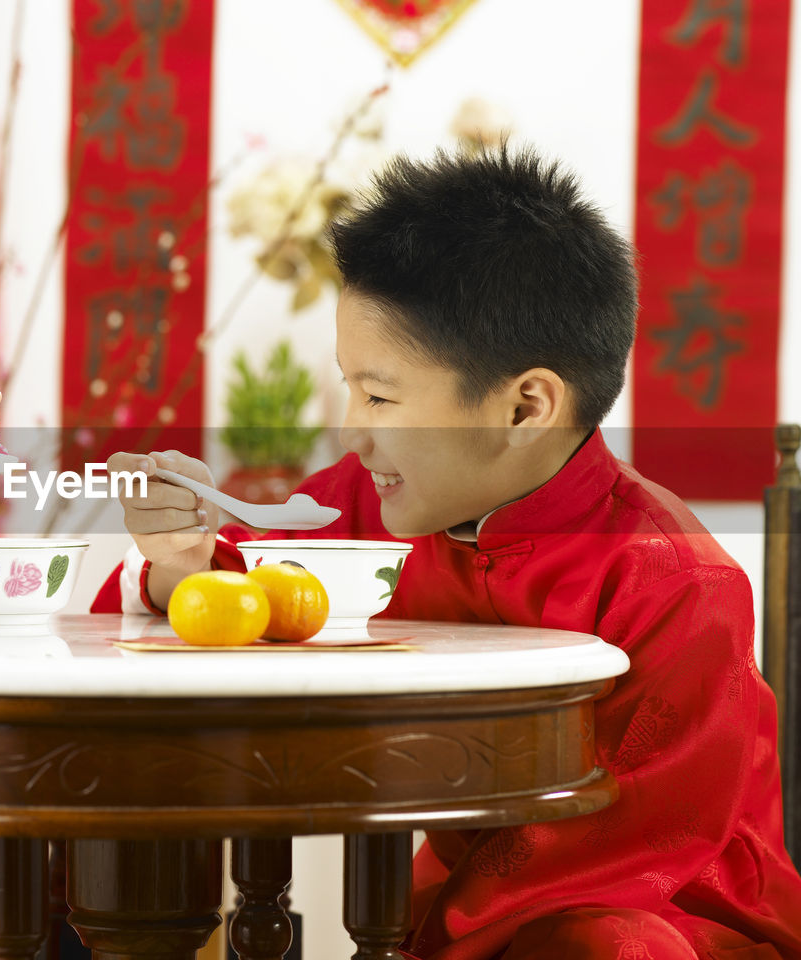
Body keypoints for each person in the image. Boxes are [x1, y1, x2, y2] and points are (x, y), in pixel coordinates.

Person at [94, 147, 801, 958]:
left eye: (380, 396)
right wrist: (183, 559)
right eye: (350, 387)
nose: (351, 428)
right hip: (469, 905)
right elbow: (251, 575)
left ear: (525, 405)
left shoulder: (675, 581)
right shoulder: (374, 499)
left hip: (669, 915)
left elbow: (641, 844)